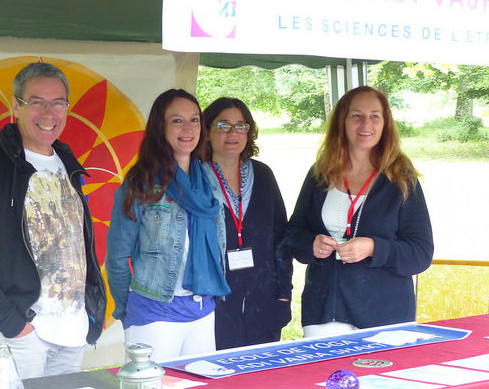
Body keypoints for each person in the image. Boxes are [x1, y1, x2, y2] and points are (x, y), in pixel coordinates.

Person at [0, 62, 106, 379]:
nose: (48, 113)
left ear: (66, 108)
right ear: (16, 105)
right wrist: (11, 325)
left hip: (72, 331)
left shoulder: (69, 164)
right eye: (37, 102)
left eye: (57, 103)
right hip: (20, 334)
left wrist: (88, 315)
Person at [285, 86, 433, 338]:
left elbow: (421, 253)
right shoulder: (320, 173)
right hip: (325, 310)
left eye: (375, 116)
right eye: (356, 115)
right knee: (323, 377)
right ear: (342, 122)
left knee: (380, 378)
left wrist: (374, 247)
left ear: (385, 124)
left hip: (385, 313)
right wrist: (311, 244)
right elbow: (291, 235)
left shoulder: (402, 179)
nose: (366, 123)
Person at [105, 89, 230, 361]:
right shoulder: (140, 185)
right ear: (160, 127)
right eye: (177, 121)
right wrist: (128, 311)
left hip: (202, 309)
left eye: (194, 120)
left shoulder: (208, 181)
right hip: (154, 312)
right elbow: (117, 258)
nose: (188, 128)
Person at [201, 97, 292, 350]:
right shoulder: (195, 177)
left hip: (263, 300)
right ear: (207, 131)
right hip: (213, 303)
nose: (233, 133)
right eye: (223, 125)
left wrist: (284, 295)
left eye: (241, 126)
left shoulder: (263, 174)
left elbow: (282, 240)